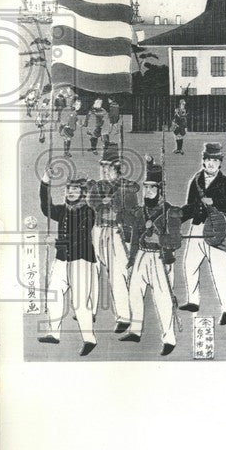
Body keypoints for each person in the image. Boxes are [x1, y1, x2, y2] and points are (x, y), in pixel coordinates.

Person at [38, 167, 98, 356]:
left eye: (75, 190)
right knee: (53, 294)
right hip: (62, 259)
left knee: (80, 302)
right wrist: (46, 181)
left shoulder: (88, 212)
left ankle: (90, 339)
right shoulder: (62, 210)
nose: (70, 192)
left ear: (82, 193)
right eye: (68, 190)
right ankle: (54, 333)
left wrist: (56, 242)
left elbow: (79, 237)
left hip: (81, 260)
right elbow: (45, 207)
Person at [123, 157, 179, 356]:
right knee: (133, 293)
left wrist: (160, 237)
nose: (147, 192)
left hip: (160, 259)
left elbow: (176, 242)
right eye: (145, 188)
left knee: (163, 300)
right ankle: (135, 330)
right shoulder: (140, 212)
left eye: (151, 189)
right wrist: (131, 261)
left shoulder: (170, 212)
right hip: (142, 256)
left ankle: (169, 338)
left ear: (160, 191)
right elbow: (135, 238)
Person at [179, 142, 226, 325]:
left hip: (218, 230)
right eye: (208, 159)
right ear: (203, 161)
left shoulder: (225, 182)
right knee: (189, 264)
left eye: (215, 160)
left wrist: (214, 202)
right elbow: (189, 207)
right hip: (197, 227)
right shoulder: (196, 180)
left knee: (220, 270)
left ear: (220, 163)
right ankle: (193, 301)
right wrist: (176, 219)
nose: (211, 163)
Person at [86, 142, 136, 333]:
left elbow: (129, 206)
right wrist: (104, 200)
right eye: (103, 167)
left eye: (109, 167)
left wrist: (114, 200)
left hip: (117, 231)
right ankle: (87, 311)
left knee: (118, 274)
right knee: (92, 270)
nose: (105, 171)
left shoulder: (126, 187)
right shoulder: (98, 185)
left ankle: (123, 316)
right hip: (98, 230)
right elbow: (92, 201)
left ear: (117, 168)